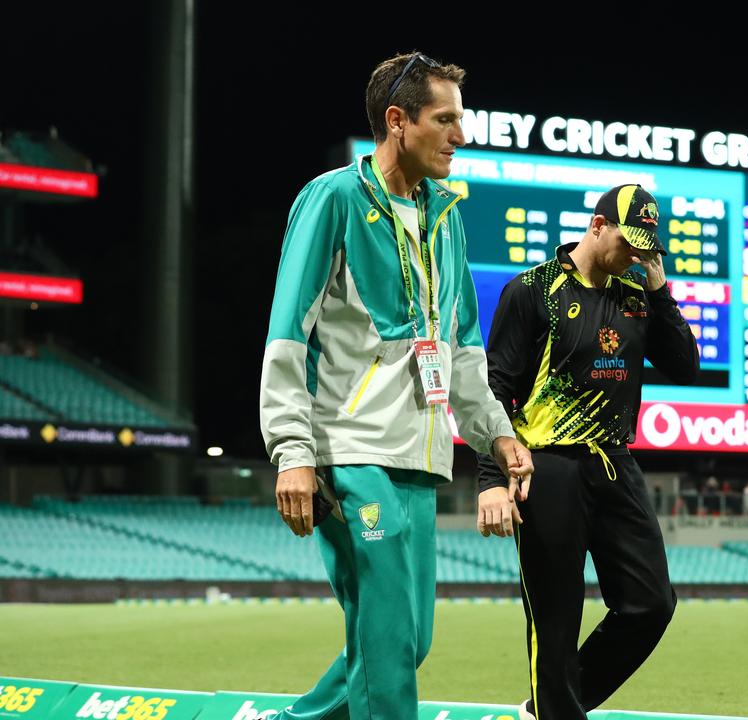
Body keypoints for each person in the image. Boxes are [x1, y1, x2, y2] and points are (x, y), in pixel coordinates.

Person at [259, 51, 533, 720]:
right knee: (385, 638)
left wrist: (497, 433)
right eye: (444, 120)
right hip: (349, 453)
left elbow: (463, 349)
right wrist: (293, 453)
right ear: (397, 122)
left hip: (419, 456)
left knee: (407, 640)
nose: (459, 137)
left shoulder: (449, 217)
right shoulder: (333, 200)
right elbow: (288, 335)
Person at [479, 184, 700, 720]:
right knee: (555, 623)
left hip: (616, 463)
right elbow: (494, 387)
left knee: (651, 605)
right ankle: (558, 710)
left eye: (648, 247)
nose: (637, 255)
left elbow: (686, 367)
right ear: (597, 225)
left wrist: (660, 288)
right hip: (547, 468)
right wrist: (491, 477)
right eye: (630, 243)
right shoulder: (533, 290)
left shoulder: (636, 295)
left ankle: (548, 707)